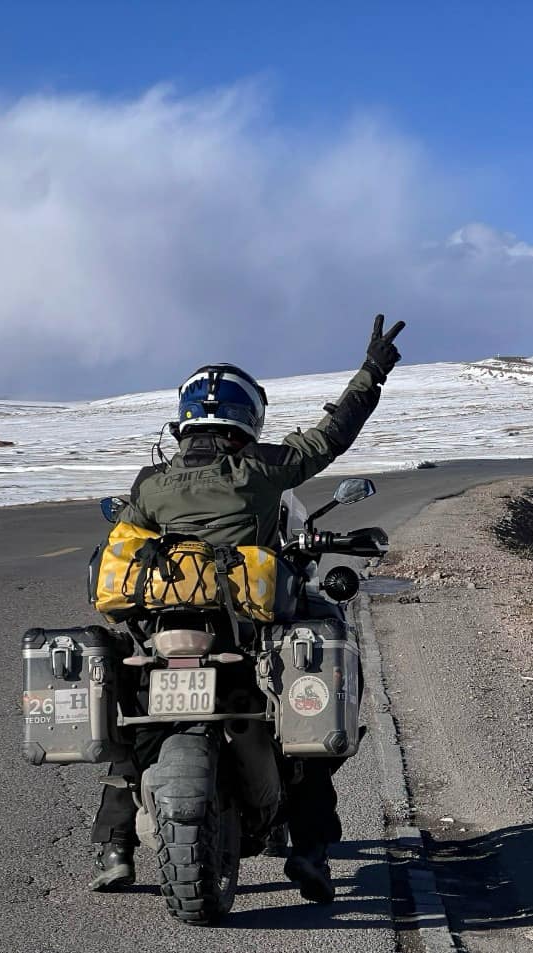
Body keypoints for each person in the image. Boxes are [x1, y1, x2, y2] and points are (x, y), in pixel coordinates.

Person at [89, 315, 405, 903]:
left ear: (184, 422)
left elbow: (123, 545)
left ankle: (115, 848)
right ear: (247, 419)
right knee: (304, 729)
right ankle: (311, 852)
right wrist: (373, 371)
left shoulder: (151, 482)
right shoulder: (260, 469)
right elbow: (332, 436)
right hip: (242, 627)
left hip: (162, 629)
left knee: (134, 725)